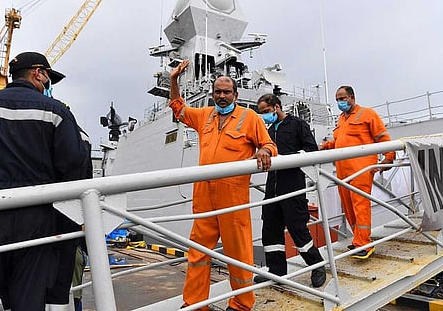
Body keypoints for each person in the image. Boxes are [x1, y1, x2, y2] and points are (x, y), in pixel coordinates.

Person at [0, 51, 89, 310]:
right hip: (35, 219)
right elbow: (73, 164)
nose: (48, 83)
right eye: (48, 76)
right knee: (28, 295)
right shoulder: (56, 111)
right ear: (38, 73)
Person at [169, 60, 277, 311]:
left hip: (233, 197)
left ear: (235, 95)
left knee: (238, 254)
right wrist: (174, 80)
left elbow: (270, 145)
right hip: (204, 195)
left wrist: (263, 150)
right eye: (217, 92)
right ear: (212, 94)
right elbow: (178, 108)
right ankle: (196, 304)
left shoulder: (249, 118)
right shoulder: (205, 116)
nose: (222, 96)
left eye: (227, 92)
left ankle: (241, 304)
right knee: (197, 253)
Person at [254, 94, 326, 287]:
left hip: (292, 183)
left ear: (276, 107)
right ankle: (277, 272)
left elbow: (311, 150)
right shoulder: (268, 130)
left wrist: (290, 158)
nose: (264, 116)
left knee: (297, 228)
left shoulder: (297, 125)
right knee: (270, 228)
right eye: (261, 113)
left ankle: (317, 265)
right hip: (273, 186)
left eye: (266, 112)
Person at [319, 86, 395, 259]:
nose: (340, 102)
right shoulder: (341, 119)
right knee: (348, 207)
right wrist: (325, 146)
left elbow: (383, 138)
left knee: (360, 205)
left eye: (342, 98)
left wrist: (388, 158)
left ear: (352, 97)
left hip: (360, 168)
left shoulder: (368, 114)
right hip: (342, 171)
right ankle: (357, 239)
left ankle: (364, 244)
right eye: (337, 99)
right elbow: (341, 141)